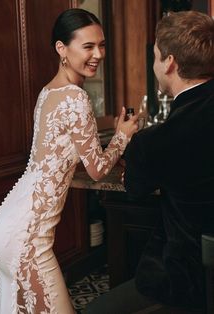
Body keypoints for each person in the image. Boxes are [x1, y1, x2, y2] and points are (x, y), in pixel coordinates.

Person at [0, 8, 138, 314]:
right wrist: (123, 135)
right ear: (62, 49)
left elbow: (57, 157)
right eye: (88, 46)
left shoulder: (48, 92)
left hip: (10, 223)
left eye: (102, 45)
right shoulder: (76, 98)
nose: (98, 54)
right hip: (29, 236)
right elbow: (97, 171)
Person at [83, 10, 214, 314]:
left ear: (169, 63)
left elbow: (135, 189)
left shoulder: (156, 141)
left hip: (190, 278)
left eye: (155, 56)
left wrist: (127, 143)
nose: (154, 65)